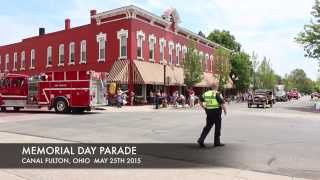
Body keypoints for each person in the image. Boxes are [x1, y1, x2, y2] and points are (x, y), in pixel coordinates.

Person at [197, 83, 227, 148]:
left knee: (207, 127)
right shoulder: (217, 93)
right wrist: (225, 110)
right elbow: (221, 103)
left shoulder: (206, 93)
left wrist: (203, 107)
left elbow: (199, 100)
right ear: (216, 87)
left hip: (209, 112)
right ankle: (217, 142)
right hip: (216, 112)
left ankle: (201, 139)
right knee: (217, 127)